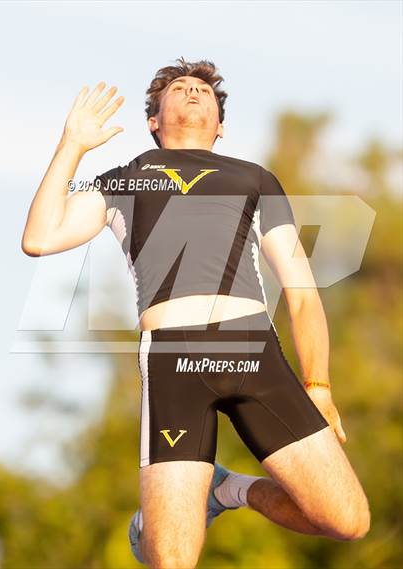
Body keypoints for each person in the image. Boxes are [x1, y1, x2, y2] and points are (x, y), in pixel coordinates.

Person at [21, 57, 371, 569]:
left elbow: (301, 291)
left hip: (252, 351)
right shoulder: (127, 178)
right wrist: (71, 145)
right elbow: (39, 238)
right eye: (180, 88)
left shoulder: (254, 179)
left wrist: (319, 385)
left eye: (203, 91)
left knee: (347, 519)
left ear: (221, 124)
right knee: (172, 561)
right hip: (172, 360)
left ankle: (228, 492)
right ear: (153, 121)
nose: (192, 93)